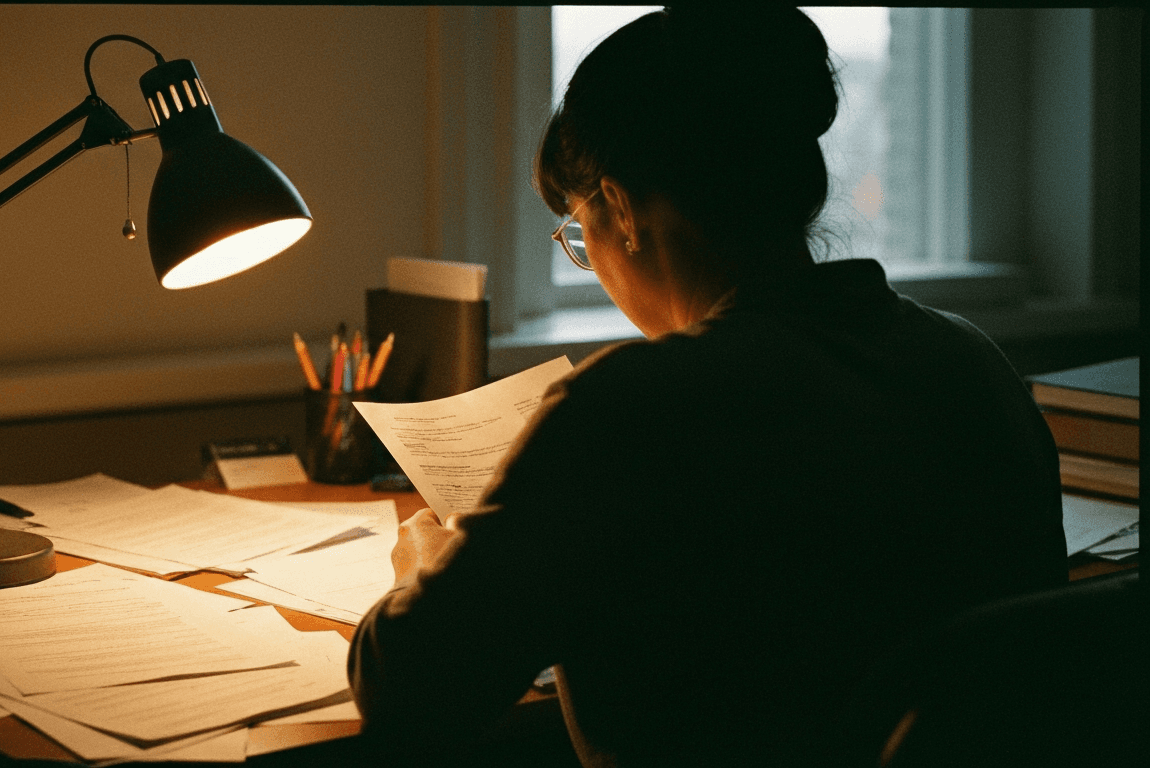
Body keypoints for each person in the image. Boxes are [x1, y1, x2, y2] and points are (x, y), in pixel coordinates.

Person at [348, 7, 1067, 767]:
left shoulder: (630, 409)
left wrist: (427, 560)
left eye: (580, 231)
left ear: (621, 209)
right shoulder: (974, 366)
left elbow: (409, 688)